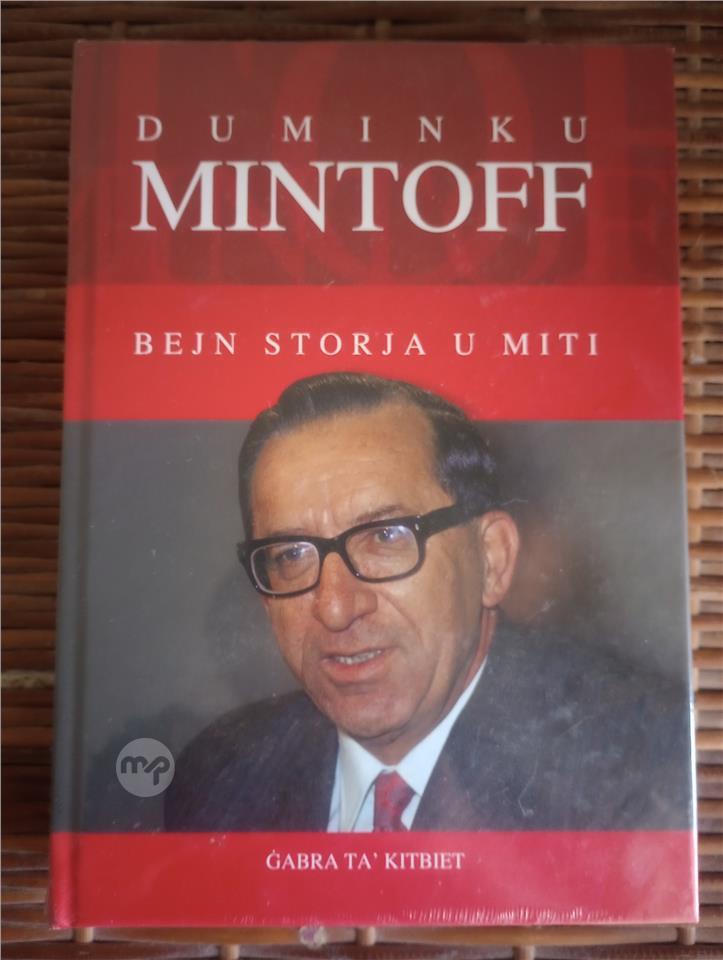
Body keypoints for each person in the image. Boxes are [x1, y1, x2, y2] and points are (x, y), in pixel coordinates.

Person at [165, 372, 691, 833]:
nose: (336, 609)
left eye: (386, 537)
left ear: (491, 560)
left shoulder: (643, 766)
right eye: (291, 555)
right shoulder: (217, 780)